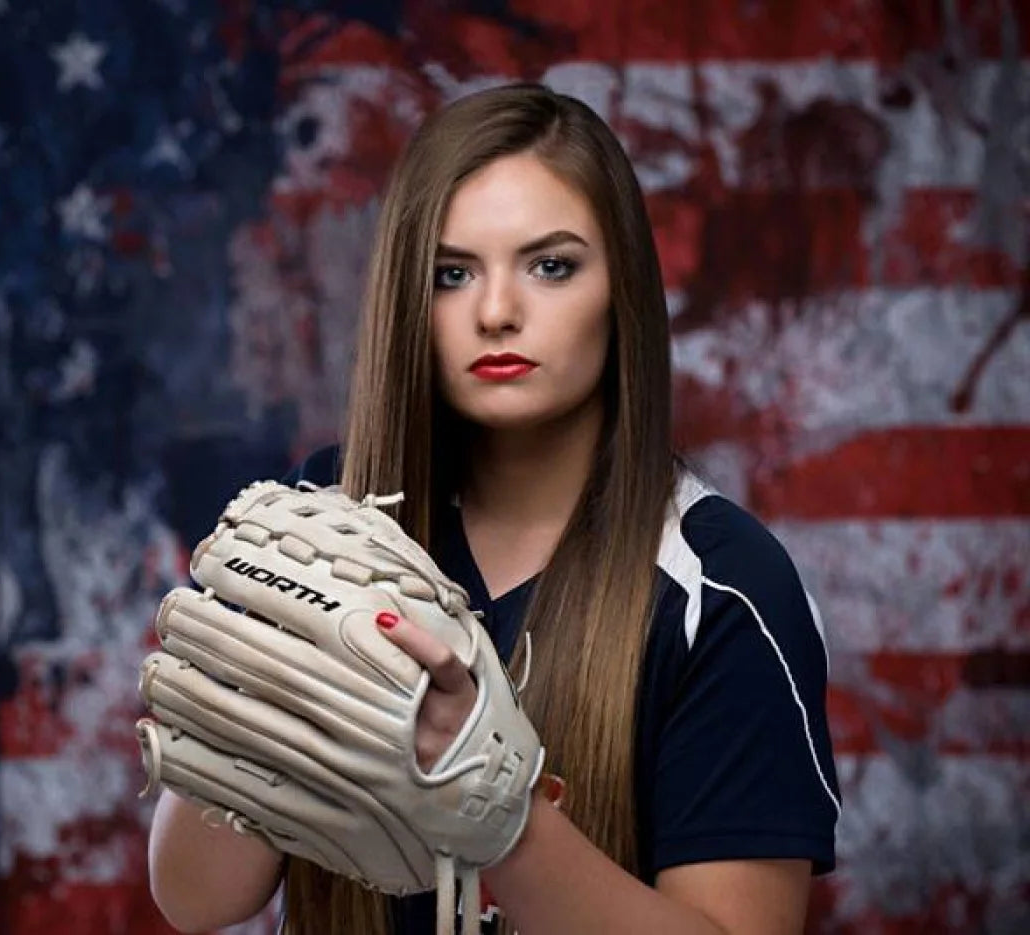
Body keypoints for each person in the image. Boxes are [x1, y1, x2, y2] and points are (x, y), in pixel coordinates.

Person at [146, 82, 840, 935]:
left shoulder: (725, 586)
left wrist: (495, 806)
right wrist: (251, 709)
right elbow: (195, 899)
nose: (497, 311)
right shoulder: (316, 529)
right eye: (451, 272)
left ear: (620, 288)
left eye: (551, 265)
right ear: (408, 298)